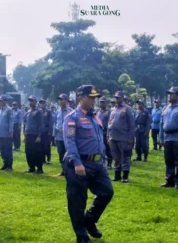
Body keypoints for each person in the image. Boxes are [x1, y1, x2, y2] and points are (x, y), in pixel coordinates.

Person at [63, 85, 114, 243]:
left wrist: (103, 159)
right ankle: (82, 236)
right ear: (81, 98)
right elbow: (69, 141)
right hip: (79, 164)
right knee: (78, 201)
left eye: (94, 98)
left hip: (97, 164)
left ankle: (89, 220)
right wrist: (77, 163)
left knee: (106, 192)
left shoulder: (95, 116)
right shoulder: (72, 117)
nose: (94, 100)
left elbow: (99, 139)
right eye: (90, 98)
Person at [108, 91, 135, 183]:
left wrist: (131, 138)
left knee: (125, 157)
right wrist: (108, 136)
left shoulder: (127, 109)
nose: (117, 99)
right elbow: (109, 123)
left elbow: (132, 125)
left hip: (124, 137)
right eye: (116, 97)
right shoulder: (112, 109)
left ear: (123, 98)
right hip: (113, 137)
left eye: (119, 97)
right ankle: (117, 175)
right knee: (116, 158)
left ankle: (125, 176)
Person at [23, 96, 44, 174]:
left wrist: (39, 135)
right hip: (28, 134)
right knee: (28, 152)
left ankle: (39, 168)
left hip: (35, 134)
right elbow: (25, 123)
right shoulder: (28, 111)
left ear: (36, 102)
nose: (30, 102)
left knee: (37, 152)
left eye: (32, 101)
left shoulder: (39, 111)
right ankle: (31, 167)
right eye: (29, 101)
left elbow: (41, 124)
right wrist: (25, 135)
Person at [55, 94, 73, 176]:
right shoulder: (58, 111)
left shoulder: (71, 111)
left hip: (67, 137)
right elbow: (55, 123)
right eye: (60, 99)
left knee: (68, 155)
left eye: (62, 99)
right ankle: (63, 171)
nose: (60, 101)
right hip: (58, 137)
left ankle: (69, 171)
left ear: (66, 100)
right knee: (60, 154)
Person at [0, 94, 14, 171]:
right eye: (0, 101)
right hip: (1, 133)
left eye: (2, 101)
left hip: (7, 134)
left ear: (5, 101)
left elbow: (11, 122)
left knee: (8, 150)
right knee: (2, 149)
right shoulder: (1, 110)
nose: (0, 102)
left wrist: (10, 131)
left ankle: (9, 166)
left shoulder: (9, 109)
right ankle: (5, 164)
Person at [96, 97, 112, 169]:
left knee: (107, 148)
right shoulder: (98, 111)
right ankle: (101, 162)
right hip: (99, 132)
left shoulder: (109, 111)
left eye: (103, 102)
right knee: (100, 148)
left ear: (106, 103)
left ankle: (109, 163)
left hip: (106, 131)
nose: (102, 103)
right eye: (101, 102)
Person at [39, 99, 53, 164]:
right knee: (41, 146)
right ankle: (42, 159)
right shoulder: (38, 111)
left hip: (46, 131)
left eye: (43, 103)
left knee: (46, 146)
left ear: (45, 104)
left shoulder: (48, 111)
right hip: (40, 131)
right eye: (40, 103)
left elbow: (50, 121)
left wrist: (50, 131)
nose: (41, 104)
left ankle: (48, 158)